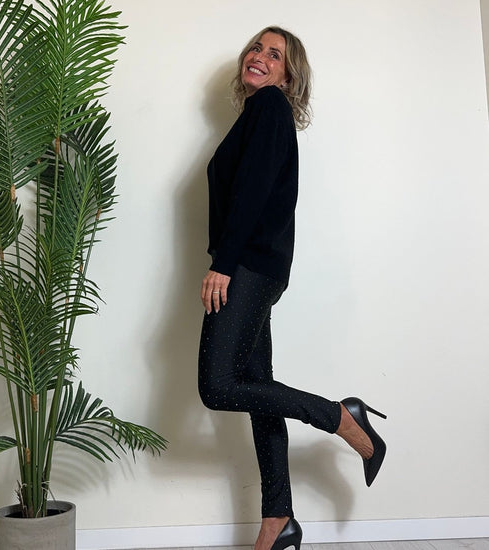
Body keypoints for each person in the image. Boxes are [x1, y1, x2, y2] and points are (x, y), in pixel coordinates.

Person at [198, 26, 387, 550]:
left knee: (217, 386)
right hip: (259, 268)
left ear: (288, 75)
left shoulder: (268, 107)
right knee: (259, 389)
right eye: (256, 48)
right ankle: (278, 520)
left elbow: (253, 190)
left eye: (274, 54)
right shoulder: (260, 114)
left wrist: (223, 265)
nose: (259, 56)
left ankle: (340, 416)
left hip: (246, 268)